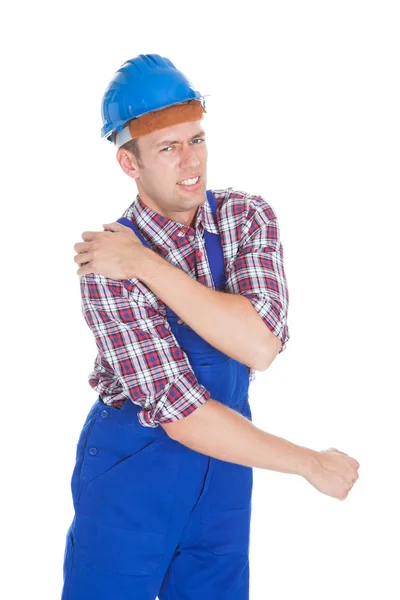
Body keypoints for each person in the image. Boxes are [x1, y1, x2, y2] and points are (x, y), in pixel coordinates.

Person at [62, 54, 360, 600]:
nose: (190, 161)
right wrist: (310, 465)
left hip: (227, 473)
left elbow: (260, 345)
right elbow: (182, 413)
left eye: (195, 139)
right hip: (133, 473)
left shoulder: (245, 217)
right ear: (130, 163)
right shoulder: (104, 262)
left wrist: (147, 266)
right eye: (167, 148)